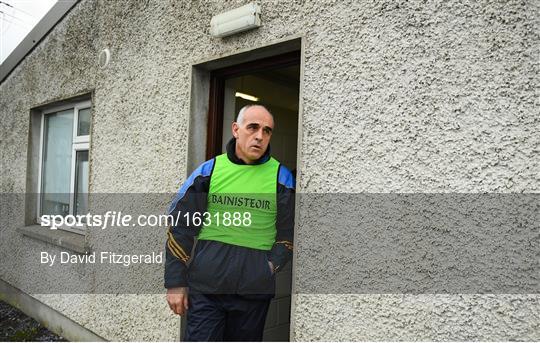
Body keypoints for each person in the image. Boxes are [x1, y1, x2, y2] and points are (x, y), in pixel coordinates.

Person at [164, 104, 295, 341]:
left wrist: (267, 269)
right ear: (236, 129)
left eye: (267, 131)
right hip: (206, 291)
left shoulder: (281, 178)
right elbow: (179, 228)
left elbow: (289, 235)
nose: (260, 136)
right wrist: (175, 282)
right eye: (253, 127)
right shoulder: (209, 171)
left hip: (253, 293)